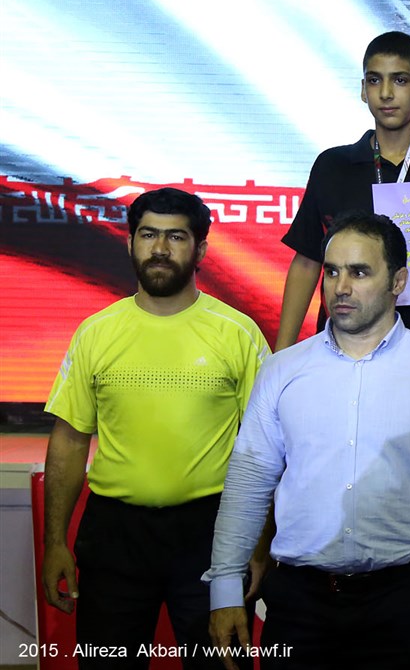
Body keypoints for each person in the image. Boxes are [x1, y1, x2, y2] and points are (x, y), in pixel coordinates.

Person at [206, 211, 410, 669]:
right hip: (298, 602)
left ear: (398, 282)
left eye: (359, 272)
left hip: (402, 603)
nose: (340, 287)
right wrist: (224, 590)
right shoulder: (281, 371)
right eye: (332, 271)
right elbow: (247, 485)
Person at [41, 188, 269, 668]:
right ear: (130, 243)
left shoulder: (239, 333)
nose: (160, 249)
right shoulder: (95, 332)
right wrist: (55, 542)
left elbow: (268, 449)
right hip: (114, 537)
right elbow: (69, 440)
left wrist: (260, 543)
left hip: (212, 533)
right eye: (148, 235)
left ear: (200, 249)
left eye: (176, 237)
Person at [277, 31, 410, 352]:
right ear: (363, 90)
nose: (386, 93)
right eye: (375, 80)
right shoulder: (332, 166)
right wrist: (281, 354)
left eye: (400, 80)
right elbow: (307, 262)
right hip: (340, 347)